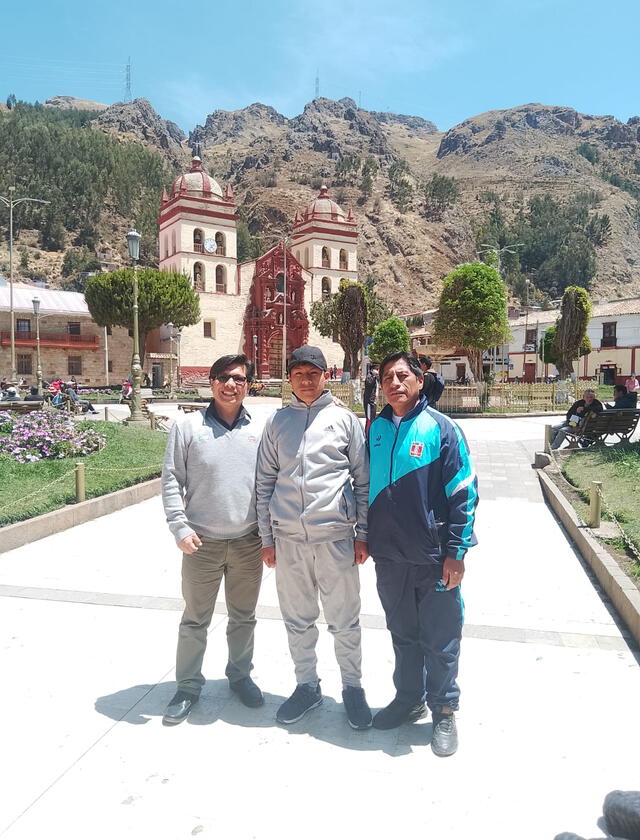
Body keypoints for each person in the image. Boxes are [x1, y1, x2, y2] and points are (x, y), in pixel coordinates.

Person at [366, 352, 478, 757]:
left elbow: (464, 491)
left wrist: (456, 552)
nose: (394, 383)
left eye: (402, 375)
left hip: (433, 558)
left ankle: (444, 710)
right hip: (389, 558)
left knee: (441, 638)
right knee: (403, 635)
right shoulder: (375, 429)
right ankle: (408, 698)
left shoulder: (441, 429)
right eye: (386, 378)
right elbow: (365, 489)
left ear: (419, 379)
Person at [256, 345, 372, 729]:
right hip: (288, 541)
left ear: (327, 376)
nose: (306, 380)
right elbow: (264, 483)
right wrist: (267, 538)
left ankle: (353, 689)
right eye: (299, 374)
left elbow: (363, 481)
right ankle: (307, 686)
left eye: (313, 373)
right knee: (297, 620)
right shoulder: (276, 423)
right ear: (289, 378)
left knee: (344, 620)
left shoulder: (344, 421)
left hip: (335, 538)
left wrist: (362, 534)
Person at [161, 354, 265, 726]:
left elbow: (267, 485)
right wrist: (180, 527)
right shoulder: (187, 427)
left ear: (248, 385)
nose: (230, 384)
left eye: (238, 378)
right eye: (222, 377)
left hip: (247, 542)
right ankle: (187, 686)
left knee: (243, 617)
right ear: (211, 383)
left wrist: (266, 536)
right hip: (200, 543)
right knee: (195, 619)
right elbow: (172, 478)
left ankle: (240, 676)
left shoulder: (259, 429)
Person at [363, 363, 380, 434]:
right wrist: (374, 376)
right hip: (369, 401)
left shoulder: (375, 377)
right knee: (369, 419)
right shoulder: (369, 376)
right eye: (377, 369)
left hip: (373, 401)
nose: (378, 371)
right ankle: (367, 434)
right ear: (373, 369)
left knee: (373, 418)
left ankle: (371, 433)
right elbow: (369, 383)